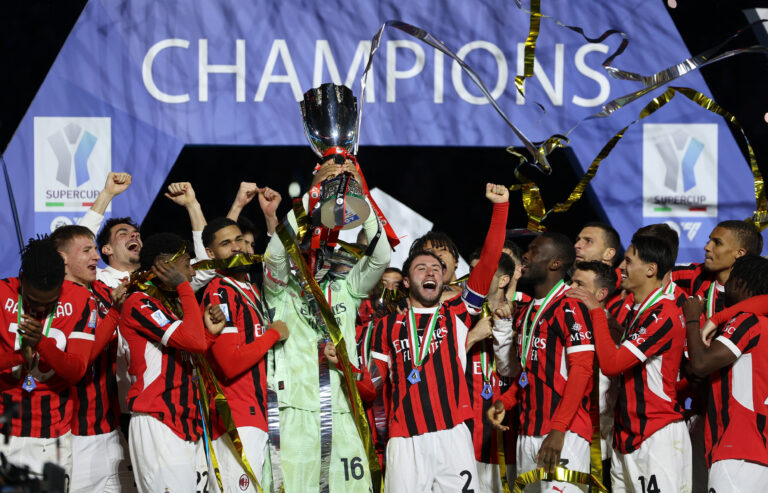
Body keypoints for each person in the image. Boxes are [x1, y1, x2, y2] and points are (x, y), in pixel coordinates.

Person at [370, 183, 509, 493]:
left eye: (437, 267)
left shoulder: (458, 312)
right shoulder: (386, 325)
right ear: (406, 280)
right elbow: (372, 383)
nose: (431, 271)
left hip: (453, 436)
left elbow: (488, 263)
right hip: (404, 440)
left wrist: (500, 208)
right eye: (421, 266)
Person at [262, 159, 391, 492]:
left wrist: (360, 196)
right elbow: (274, 254)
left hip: (342, 411)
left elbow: (381, 257)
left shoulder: (346, 288)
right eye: (307, 251)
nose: (318, 258)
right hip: (294, 416)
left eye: (325, 254)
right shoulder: (281, 292)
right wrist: (315, 191)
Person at [569, 235, 691, 493]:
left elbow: (612, 365)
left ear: (651, 269)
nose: (621, 267)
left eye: (628, 261)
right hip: (627, 434)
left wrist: (597, 311)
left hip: (656, 434)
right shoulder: (640, 309)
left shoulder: (663, 313)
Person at [119, 233, 221, 492]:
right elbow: (193, 342)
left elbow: (193, 350)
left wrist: (208, 332)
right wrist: (184, 288)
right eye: (187, 264)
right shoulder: (139, 303)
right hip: (158, 421)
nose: (191, 273)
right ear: (164, 265)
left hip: (189, 421)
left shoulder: (172, 304)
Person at [200, 217, 290, 492]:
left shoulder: (251, 288)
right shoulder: (220, 293)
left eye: (239, 239)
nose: (237, 247)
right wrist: (273, 334)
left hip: (261, 415)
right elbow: (229, 363)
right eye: (226, 244)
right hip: (237, 416)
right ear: (211, 254)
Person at [0, 237, 96, 478]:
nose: (41, 310)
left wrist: (42, 342)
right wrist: (20, 356)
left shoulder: (80, 299)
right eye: (33, 301)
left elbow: (76, 371)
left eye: (49, 303)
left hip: (50, 436)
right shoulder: (1, 293)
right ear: (22, 280)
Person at [49, 225, 133, 492]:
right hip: (77, 435)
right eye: (86, 251)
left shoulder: (103, 291)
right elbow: (80, 361)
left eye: (95, 249)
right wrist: (115, 315)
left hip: (111, 426)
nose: (96, 256)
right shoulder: (54, 300)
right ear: (62, 258)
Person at [682, 254, 768, 492]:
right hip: (759, 453)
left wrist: (692, 320)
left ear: (739, 282)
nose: (724, 287)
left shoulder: (747, 321)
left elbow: (700, 364)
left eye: (729, 280)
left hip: (739, 450)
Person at [465, 253, 517, 492]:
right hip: (469, 439)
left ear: (504, 280)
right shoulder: (460, 318)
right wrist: (472, 335)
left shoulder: (523, 315)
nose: (473, 279)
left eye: (483, 272)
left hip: (514, 435)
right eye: (472, 271)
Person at [569, 261, 620, 489]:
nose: (570, 289)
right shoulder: (562, 319)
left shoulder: (614, 330)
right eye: (570, 281)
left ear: (601, 293)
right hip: (564, 435)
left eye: (579, 284)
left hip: (599, 445)